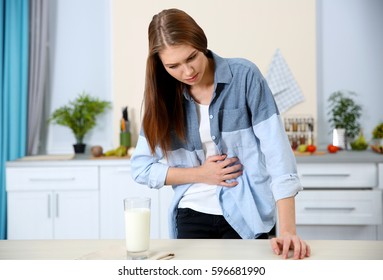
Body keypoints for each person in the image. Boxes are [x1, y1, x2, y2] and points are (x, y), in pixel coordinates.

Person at [131, 8, 310, 259]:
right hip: (192, 214)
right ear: (161, 65)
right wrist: (201, 174)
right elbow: (141, 168)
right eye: (173, 66)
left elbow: (277, 152)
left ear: (201, 43)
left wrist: (288, 229)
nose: (187, 71)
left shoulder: (245, 76)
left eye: (191, 57)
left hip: (250, 214)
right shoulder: (161, 98)